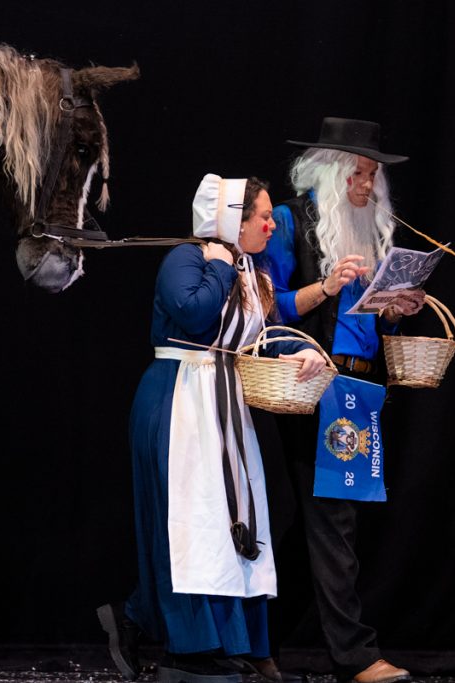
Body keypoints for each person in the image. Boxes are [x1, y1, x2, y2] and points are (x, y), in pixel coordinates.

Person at [98, 175, 326, 683]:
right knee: (190, 523)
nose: (272, 225)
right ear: (231, 221)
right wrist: (220, 267)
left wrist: (302, 350)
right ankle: (187, 648)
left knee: (228, 526)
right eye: (262, 216)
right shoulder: (188, 258)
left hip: (223, 406)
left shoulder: (249, 272)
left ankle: (208, 638)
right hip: (178, 397)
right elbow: (193, 313)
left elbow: (260, 336)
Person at [259, 118, 424, 683]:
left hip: (360, 388)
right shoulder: (290, 221)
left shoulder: (369, 229)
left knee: (313, 526)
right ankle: (355, 656)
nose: (366, 185)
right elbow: (269, 307)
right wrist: (327, 285)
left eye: (373, 175)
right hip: (310, 387)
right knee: (334, 521)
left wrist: (394, 310)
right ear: (329, 171)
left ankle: (256, 643)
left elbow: (367, 324)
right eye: (357, 172)